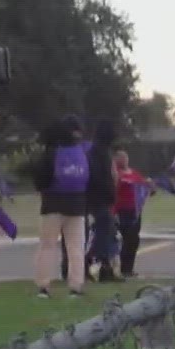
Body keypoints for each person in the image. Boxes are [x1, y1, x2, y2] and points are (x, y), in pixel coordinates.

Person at [31, 117, 100, 298]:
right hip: (77, 205)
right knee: (76, 248)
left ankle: (43, 286)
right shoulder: (83, 152)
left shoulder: (52, 152)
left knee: (47, 246)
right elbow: (92, 178)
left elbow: (40, 177)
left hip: (52, 204)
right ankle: (76, 286)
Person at [83, 120, 121, 283]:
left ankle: (104, 267)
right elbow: (99, 177)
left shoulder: (101, 152)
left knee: (106, 234)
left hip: (101, 198)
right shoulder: (98, 154)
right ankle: (95, 263)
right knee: (103, 234)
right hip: (99, 199)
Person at [112, 149, 153, 278]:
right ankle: (122, 268)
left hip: (135, 210)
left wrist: (149, 185)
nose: (124, 160)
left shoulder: (134, 173)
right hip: (122, 210)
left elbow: (143, 187)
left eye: (126, 157)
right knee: (127, 238)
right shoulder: (116, 174)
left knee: (134, 239)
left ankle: (129, 268)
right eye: (121, 158)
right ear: (116, 160)